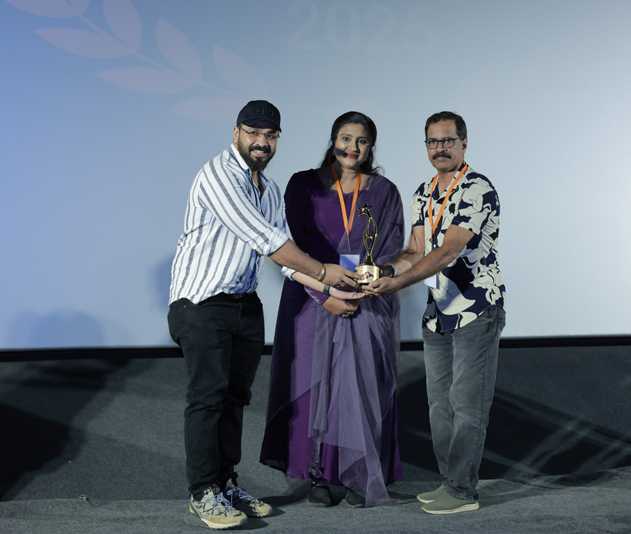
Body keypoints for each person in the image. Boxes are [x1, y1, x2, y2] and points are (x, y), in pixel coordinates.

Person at [168, 100, 358, 530]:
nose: (262, 141)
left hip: (243, 304)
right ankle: (202, 493)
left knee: (234, 400)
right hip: (201, 303)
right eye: (253, 133)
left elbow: (285, 260)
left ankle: (225, 484)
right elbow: (267, 241)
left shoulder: (269, 189)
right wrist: (325, 272)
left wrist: (328, 291)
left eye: (270, 135)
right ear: (235, 133)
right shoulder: (217, 175)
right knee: (208, 399)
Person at [259, 112, 405, 507]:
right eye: (345, 138)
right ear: (333, 140)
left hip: (367, 302)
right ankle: (318, 476)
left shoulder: (385, 191)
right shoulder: (303, 184)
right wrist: (326, 295)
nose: (352, 148)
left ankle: (356, 474)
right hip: (311, 301)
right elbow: (288, 247)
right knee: (314, 387)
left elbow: (392, 247)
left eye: (362, 141)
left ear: (370, 147)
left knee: (361, 387)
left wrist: (370, 282)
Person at [364, 111, 506, 514]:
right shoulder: (423, 192)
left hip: (476, 309)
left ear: (464, 143)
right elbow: (415, 250)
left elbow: (447, 251)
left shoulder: (477, 188)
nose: (440, 148)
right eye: (433, 141)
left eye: (447, 140)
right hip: (438, 313)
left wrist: (398, 284)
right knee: (439, 406)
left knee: (467, 405)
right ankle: (450, 482)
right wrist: (386, 271)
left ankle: (462, 491)